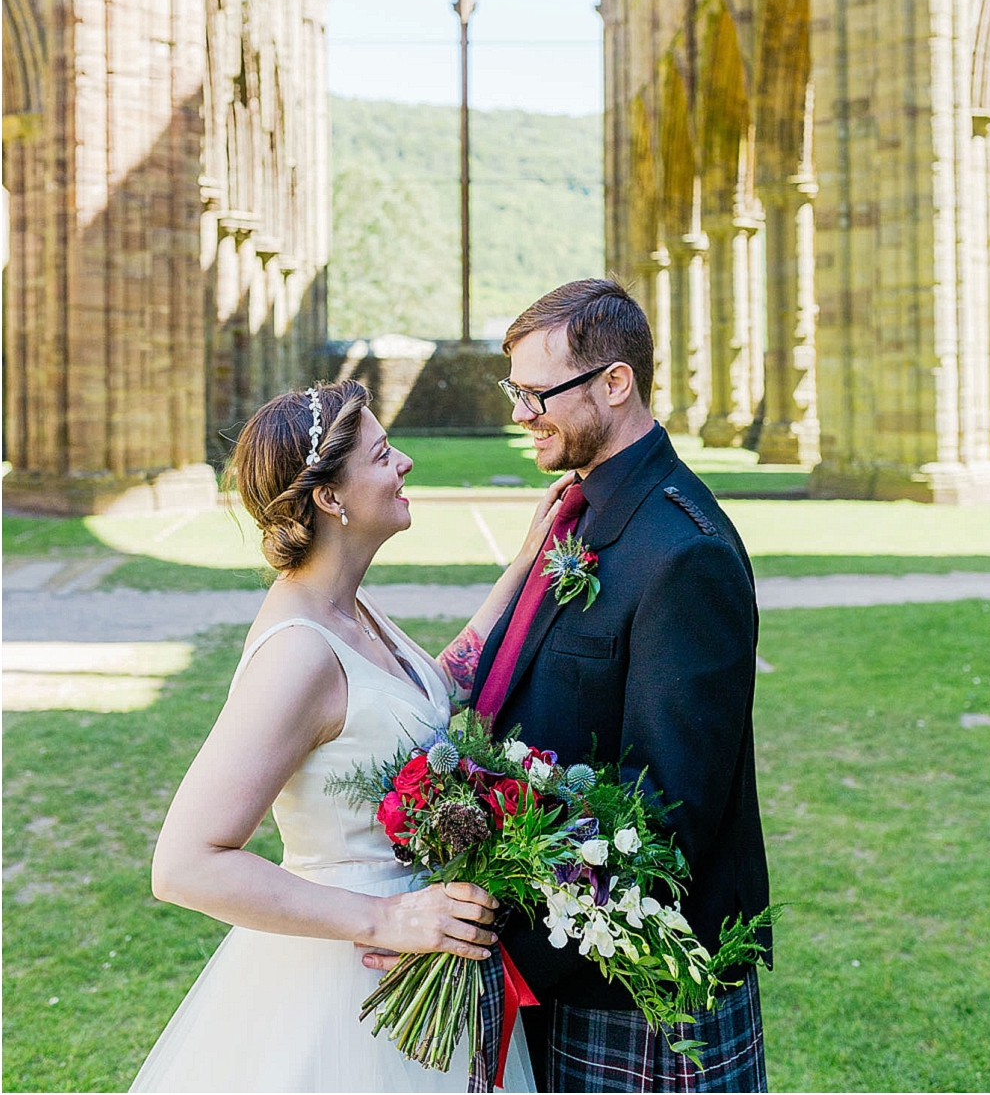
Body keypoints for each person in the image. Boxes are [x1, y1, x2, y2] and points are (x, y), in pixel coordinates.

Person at [394, 278, 770, 1093]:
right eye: (515, 390)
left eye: (537, 394)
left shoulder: (683, 551)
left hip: (633, 991)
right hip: (567, 970)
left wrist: (495, 941)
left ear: (614, 383)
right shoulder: (575, 513)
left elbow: (669, 809)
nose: (521, 412)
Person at [135, 379, 561, 1091]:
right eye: (383, 454)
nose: (406, 466)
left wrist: (524, 566)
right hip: (349, 990)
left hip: (423, 962)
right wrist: (388, 915)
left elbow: (441, 684)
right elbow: (183, 863)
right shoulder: (298, 653)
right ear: (331, 497)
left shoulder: (349, 607)